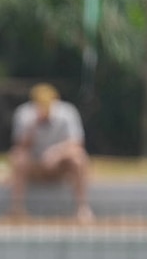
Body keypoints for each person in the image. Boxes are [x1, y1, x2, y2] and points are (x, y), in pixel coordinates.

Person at [8, 83, 94, 223]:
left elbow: (77, 143)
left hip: (60, 166)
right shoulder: (24, 114)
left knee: (79, 158)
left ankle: (82, 208)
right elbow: (19, 146)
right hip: (35, 166)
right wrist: (33, 127)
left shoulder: (67, 112)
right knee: (18, 158)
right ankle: (17, 208)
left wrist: (56, 153)